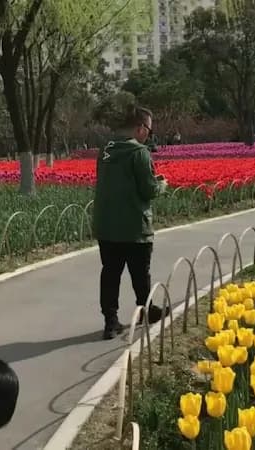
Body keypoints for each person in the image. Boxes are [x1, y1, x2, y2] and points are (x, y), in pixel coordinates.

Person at [93, 106, 168, 340]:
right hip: (135, 226)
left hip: (106, 225)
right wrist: (162, 184)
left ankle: (111, 321)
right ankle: (146, 310)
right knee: (140, 273)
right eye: (149, 129)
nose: (149, 134)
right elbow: (147, 190)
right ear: (139, 128)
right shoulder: (139, 153)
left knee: (110, 273)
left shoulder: (105, 149)